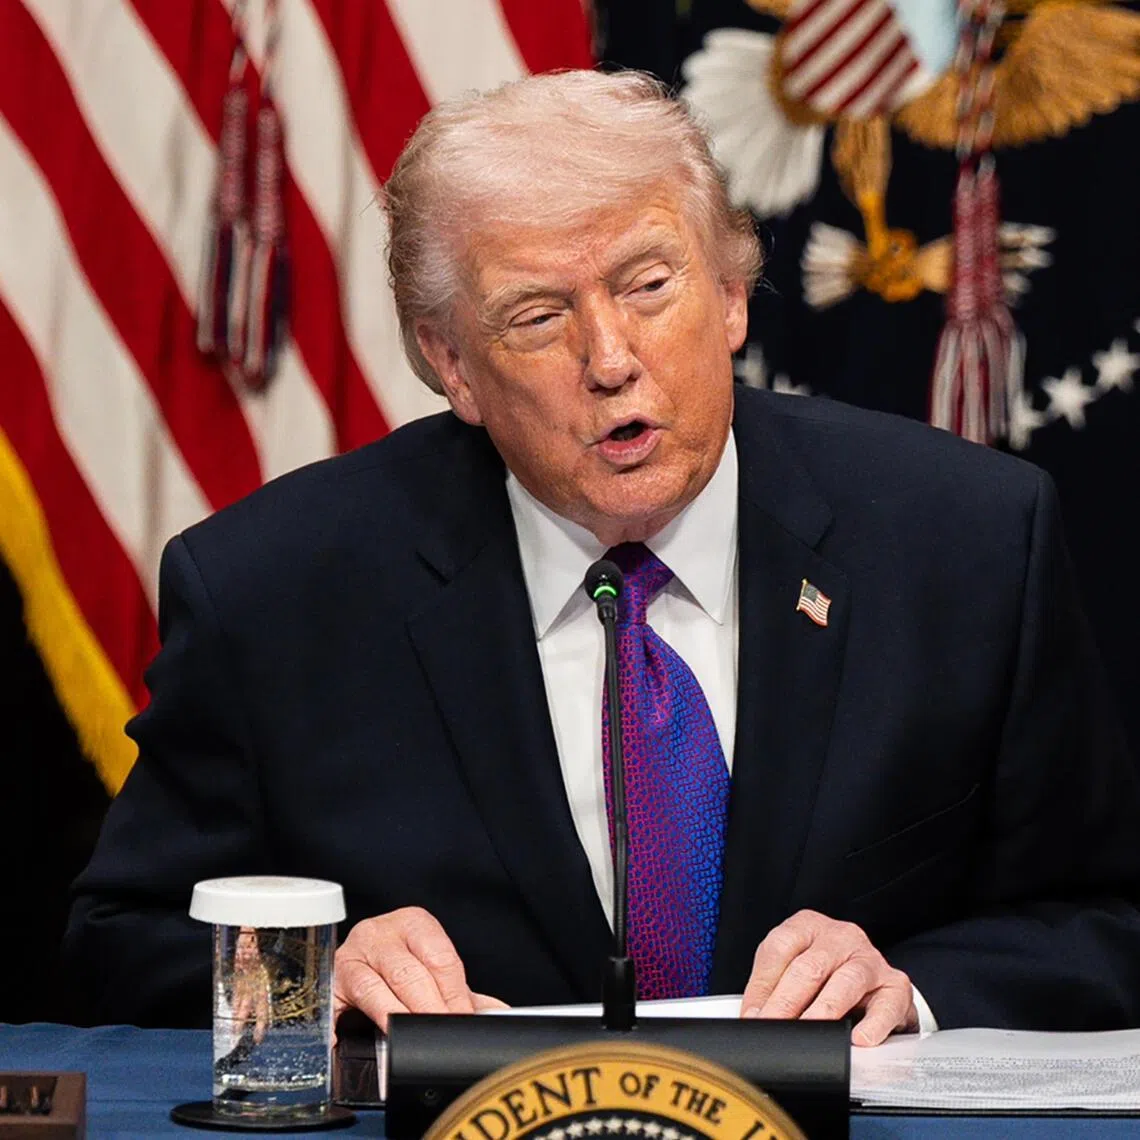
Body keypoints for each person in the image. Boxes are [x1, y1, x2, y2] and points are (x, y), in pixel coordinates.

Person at [65, 70, 1140, 1043]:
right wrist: (313, 978)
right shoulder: (277, 593)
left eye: (648, 285)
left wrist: (910, 988)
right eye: (538, 315)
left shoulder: (966, 543)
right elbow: (117, 946)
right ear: (454, 366)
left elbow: (1102, 921)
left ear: (728, 295)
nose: (611, 359)